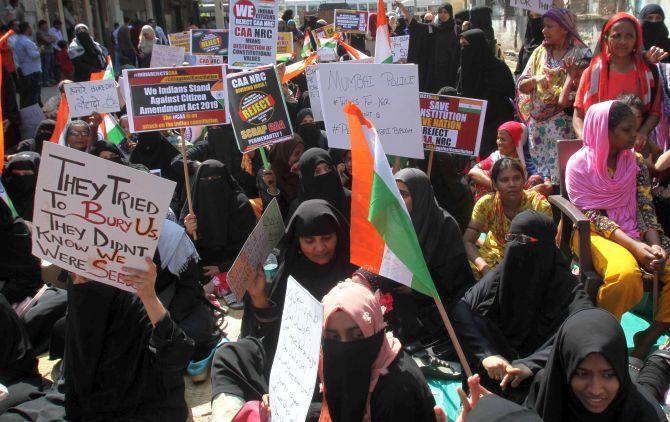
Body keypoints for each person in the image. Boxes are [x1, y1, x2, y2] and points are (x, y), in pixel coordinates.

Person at [566, 100, 670, 359]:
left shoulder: (635, 162)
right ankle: (599, 337)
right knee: (624, 275)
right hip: (591, 233)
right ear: (605, 131)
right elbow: (591, 215)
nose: (635, 136)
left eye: (635, 128)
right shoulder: (579, 165)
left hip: (636, 231)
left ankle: (649, 336)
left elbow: (645, 207)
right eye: (626, 130)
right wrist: (636, 247)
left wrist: (654, 244)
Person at [462, 210, 593, 399]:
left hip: (539, 367)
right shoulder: (504, 271)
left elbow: (585, 328)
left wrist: (531, 364)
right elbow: (462, 308)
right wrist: (486, 354)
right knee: (475, 322)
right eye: (511, 238)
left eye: (523, 240)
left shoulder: (566, 286)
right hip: (499, 363)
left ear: (545, 246)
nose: (515, 247)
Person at [318, 281, 437, 421]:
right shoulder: (382, 351)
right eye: (334, 337)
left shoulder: (395, 395)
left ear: (374, 328)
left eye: (358, 335)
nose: (344, 346)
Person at [525, 308, 666, 421]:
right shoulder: (545, 389)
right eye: (582, 373)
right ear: (563, 368)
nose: (595, 390)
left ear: (621, 371)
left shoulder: (645, 414)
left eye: (609, 375)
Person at [517, 8, 590, 187]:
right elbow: (521, 86)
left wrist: (568, 87)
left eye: (549, 26)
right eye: (544, 26)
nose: (544, 30)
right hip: (538, 128)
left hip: (565, 127)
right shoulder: (539, 52)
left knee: (562, 178)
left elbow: (585, 91)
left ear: (564, 28)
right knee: (539, 179)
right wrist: (535, 80)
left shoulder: (582, 55)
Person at [573, 13, 661, 147]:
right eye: (616, 36)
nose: (623, 41)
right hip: (598, 146)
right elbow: (578, 116)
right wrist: (585, 139)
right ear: (605, 37)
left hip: (634, 147)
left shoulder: (649, 73)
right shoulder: (591, 73)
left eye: (629, 36)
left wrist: (642, 133)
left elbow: (655, 113)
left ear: (637, 39)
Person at [464, 158, 552, 278]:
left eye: (516, 178)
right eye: (504, 180)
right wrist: (485, 269)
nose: (512, 184)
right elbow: (468, 241)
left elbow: (547, 245)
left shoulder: (539, 204)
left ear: (524, 180)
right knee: (468, 268)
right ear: (494, 184)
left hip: (530, 257)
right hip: (494, 255)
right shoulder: (486, 204)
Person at [180, 160, 256, 284]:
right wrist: (188, 231)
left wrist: (223, 268)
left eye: (216, 179)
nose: (211, 183)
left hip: (237, 270)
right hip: (202, 273)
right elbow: (180, 250)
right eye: (205, 180)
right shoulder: (192, 207)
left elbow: (252, 245)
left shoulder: (240, 205)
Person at [458, 28, 516, 158]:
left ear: (478, 45)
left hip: (496, 122)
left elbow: (511, 92)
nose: (463, 49)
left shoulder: (498, 68)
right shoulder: (465, 69)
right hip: (472, 121)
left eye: (465, 45)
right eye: (461, 45)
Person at [469, 121, 551, 200]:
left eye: (502, 139)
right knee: (484, 174)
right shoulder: (496, 156)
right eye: (498, 138)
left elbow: (548, 187)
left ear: (516, 142)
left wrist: (524, 194)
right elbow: (473, 172)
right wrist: (496, 187)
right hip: (501, 200)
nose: (498, 142)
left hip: (524, 200)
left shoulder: (532, 160)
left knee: (536, 179)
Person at [397, 1, 460, 93]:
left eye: (445, 12)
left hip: (450, 70)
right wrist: (403, 8)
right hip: (434, 71)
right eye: (440, 12)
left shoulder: (455, 29)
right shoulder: (433, 28)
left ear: (450, 13)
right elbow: (415, 24)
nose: (443, 15)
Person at [288, 148, 351, 221]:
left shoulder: (349, 198)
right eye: (317, 171)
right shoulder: (298, 208)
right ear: (306, 177)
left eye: (327, 168)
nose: (325, 174)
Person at [2, 152, 40, 221]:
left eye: (26, 174)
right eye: (16, 174)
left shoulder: (44, 195)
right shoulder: (4, 192)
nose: (21, 177)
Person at [14, 22, 42, 108]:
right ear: (27, 29)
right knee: (34, 93)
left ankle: (28, 111)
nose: (31, 30)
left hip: (25, 69)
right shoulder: (26, 41)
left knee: (27, 94)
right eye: (30, 28)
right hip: (32, 70)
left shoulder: (18, 41)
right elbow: (33, 55)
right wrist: (39, 50)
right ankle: (34, 111)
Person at [514, 12, 543, 77]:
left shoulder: (549, 48)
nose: (534, 19)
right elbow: (518, 71)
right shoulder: (525, 46)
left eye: (538, 16)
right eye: (531, 16)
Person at [35, 20, 55, 86]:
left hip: (51, 50)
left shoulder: (47, 32)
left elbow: (54, 39)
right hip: (45, 51)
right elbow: (47, 41)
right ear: (41, 25)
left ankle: (52, 79)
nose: (47, 26)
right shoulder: (39, 32)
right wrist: (49, 39)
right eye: (45, 25)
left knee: (51, 66)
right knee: (46, 66)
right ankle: (46, 81)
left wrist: (49, 39)